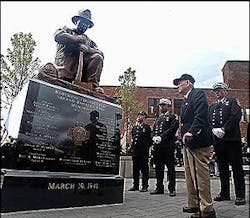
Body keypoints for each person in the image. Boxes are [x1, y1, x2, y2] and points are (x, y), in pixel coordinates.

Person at [173, 74, 216, 218]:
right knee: (190, 176)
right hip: (187, 143)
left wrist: (191, 131)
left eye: (179, 83)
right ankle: (194, 204)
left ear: (188, 82)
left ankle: (207, 209)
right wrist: (181, 131)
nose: (177, 86)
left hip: (197, 141)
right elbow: (185, 121)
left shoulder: (198, 94)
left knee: (199, 176)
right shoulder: (186, 100)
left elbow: (201, 115)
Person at [208, 82, 246, 205]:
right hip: (219, 141)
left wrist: (224, 129)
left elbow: (235, 116)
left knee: (236, 168)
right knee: (222, 168)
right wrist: (213, 131)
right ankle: (225, 193)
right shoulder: (213, 106)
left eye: (219, 90)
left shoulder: (232, 102)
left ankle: (240, 195)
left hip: (231, 140)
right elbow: (209, 121)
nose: (217, 92)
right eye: (215, 91)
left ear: (225, 91)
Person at [54, 9, 104, 93]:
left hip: (81, 76)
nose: (85, 26)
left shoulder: (88, 41)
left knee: (97, 57)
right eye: (83, 22)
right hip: (65, 70)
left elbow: (100, 53)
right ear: (76, 21)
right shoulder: (66, 30)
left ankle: (92, 86)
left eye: (87, 24)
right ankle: (65, 78)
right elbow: (58, 36)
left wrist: (88, 49)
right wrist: (76, 39)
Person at [150, 98, 179, 197]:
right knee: (158, 168)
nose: (162, 107)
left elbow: (172, 129)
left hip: (168, 146)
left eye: (164, 105)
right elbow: (153, 130)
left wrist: (161, 137)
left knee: (170, 168)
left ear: (168, 106)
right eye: (161, 105)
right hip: (158, 147)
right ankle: (159, 187)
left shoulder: (172, 117)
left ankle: (171, 189)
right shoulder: (158, 118)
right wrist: (153, 137)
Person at [128, 111, 152, 192]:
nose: (139, 117)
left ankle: (145, 185)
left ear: (145, 118)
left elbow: (150, 140)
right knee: (135, 169)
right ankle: (135, 185)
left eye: (141, 115)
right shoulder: (134, 127)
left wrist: (146, 148)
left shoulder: (147, 127)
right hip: (135, 151)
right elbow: (133, 139)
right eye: (138, 115)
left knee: (144, 169)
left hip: (143, 152)